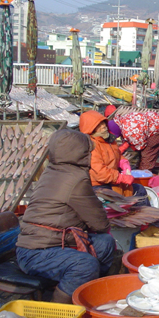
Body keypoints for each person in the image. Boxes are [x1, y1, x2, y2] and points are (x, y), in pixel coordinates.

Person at [16, 129, 115, 303]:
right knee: (84, 265)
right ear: (79, 153)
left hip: (50, 243)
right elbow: (99, 223)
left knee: (105, 244)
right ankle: (60, 314)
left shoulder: (54, 170)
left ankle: (89, 293)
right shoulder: (75, 178)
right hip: (36, 252)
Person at [80, 110, 149, 204]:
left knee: (140, 190)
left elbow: (117, 155)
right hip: (99, 185)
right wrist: (121, 178)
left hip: (112, 181)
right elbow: (101, 174)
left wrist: (124, 163)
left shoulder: (109, 140)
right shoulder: (92, 145)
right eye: (98, 126)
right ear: (91, 129)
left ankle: (143, 216)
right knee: (128, 198)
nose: (103, 127)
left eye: (103, 123)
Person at [104, 105, 159, 171]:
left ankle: (145, 174)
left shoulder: (130, 131)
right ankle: (140, 168)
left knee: (147, 153)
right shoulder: (121, 121)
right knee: (143, 153)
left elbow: (141, 145)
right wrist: (121, 149)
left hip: (158, 128)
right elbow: (129, 139)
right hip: (152, 121)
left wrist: (130, 148)